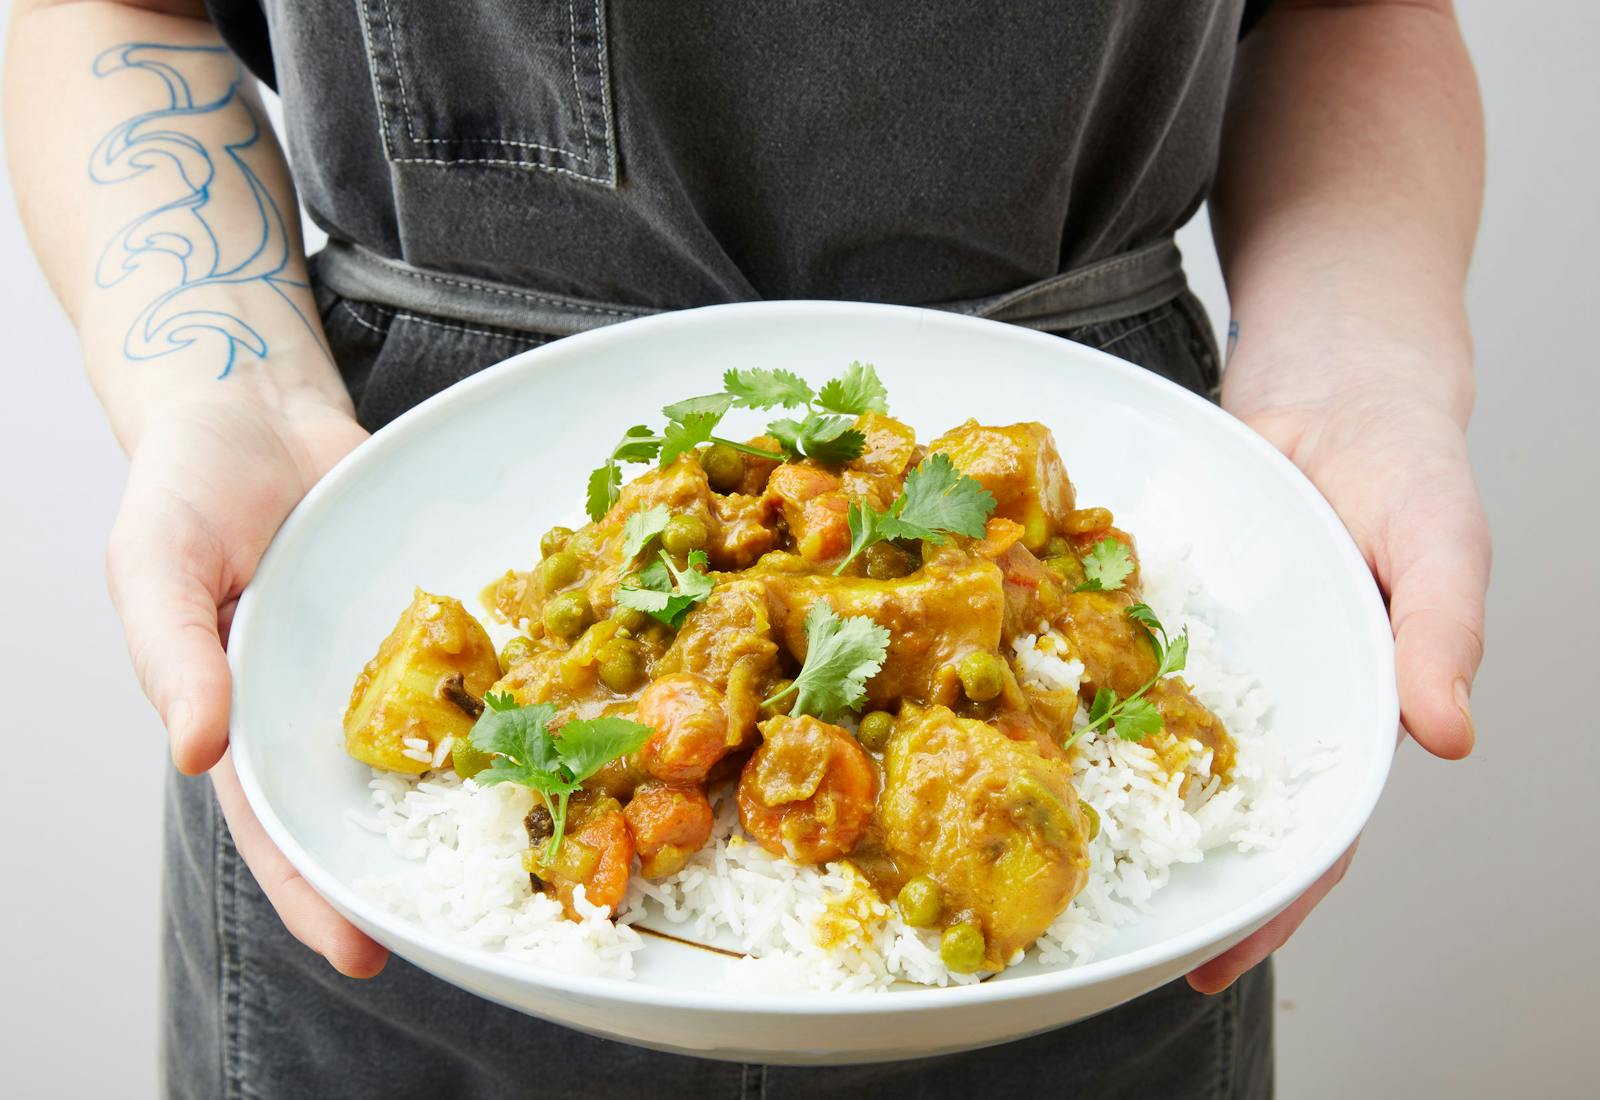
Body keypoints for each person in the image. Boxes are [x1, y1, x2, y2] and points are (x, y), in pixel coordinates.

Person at [6, 0, 1488, 1096]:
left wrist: (1366, 367)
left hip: (1109, 536)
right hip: (376, 502)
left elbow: (1347, 15)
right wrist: (222, 385)